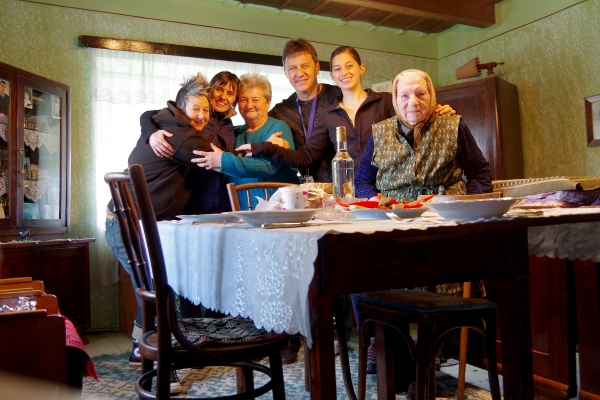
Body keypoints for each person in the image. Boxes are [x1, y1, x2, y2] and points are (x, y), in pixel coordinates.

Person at [105, 72, 227, 394]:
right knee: (160, 291)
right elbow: (221, 161)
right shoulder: (183, 136)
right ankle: (162, 364)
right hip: (127, 227)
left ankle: (138, 349)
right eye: (195, 108)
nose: (201, 116)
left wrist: (150, 128)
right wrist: (262, 152)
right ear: (180, 105)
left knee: (154, 289)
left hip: (126, 223)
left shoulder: (163, 123)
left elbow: (148, 115)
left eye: (206, 110)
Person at [235, 46, 455, 180]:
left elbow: (415, 112)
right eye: (338, 68)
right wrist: (264, 146)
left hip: (391, 189)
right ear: (331, 74)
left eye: (349, 66)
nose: (344, 73)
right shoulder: (330, 115)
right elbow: (305, 156)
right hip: (349, 194)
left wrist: (438, 112)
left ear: (361, 68)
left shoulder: (386, 101)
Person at [354, 68, 492, 201]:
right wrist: (373, 200)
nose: (413, 102)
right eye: (404, 96)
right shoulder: (380, 133)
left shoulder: (452, 126)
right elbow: (362, 180)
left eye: (421, 93)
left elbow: (480, 173)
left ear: (431, 96)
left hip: (445, 214)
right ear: (396, 100)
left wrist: (469, 203)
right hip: (394, 216)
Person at [194, 72, 299, 210]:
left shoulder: (278, 128)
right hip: (244, 215)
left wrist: (223, 160)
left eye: (255, 100)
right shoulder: (234, 133)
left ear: (268, 102)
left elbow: (268, 166)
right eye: (243, 100)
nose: (249, 105)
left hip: (281, 212)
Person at [268, 38, 341, 182]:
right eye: (292, 68)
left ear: (317, 67)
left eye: (305, 65)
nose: (299, 73)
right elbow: (256, 125)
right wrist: (267, 141)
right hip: (306, 192)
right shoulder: (281, 110)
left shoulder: (339, 96)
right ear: (285, 72)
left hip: (345, 189)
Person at [141, 71, 240, 158]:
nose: (223, 97)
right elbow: (149, 115)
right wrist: (151, 133)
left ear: (235, 99)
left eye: (230, 94)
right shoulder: (193, 112)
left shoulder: (228, 124)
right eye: (219, 90)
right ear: (210, 90)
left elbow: (229, 152)